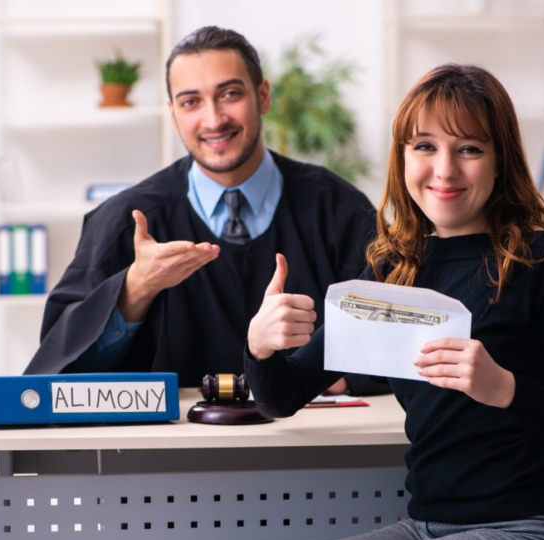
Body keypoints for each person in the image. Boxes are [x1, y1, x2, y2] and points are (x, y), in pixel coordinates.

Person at [244, 63, 544, 540]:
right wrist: (260, 345)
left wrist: (505, 388)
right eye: (425, 146)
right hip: (426, 527)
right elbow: (281, 398)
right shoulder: (391, 270)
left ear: (499, 161)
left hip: (532, 532)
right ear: (403, 158)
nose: (444, 169)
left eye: (469, 148)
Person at [24, 26, 382, 394]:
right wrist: (134, 289)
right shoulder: (126, 220)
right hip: (166, 449)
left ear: (263, 96)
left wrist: (321, 378)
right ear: (173, 113)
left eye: (229, 94)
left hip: (321, 442)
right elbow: (60, 373)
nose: (213, 120)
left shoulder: (338, 210)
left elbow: (397, 340)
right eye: (191, 101)